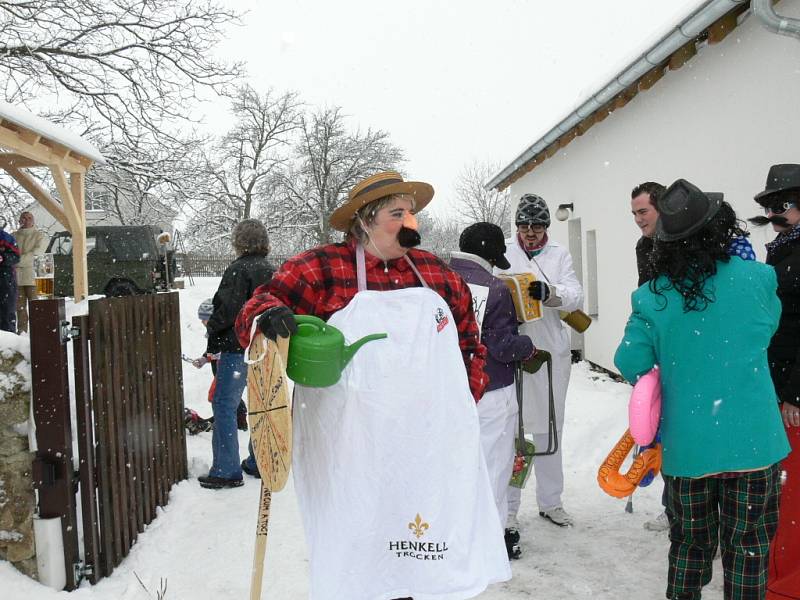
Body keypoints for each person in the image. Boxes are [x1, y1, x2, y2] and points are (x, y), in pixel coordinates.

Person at [235, 171, 510, 600]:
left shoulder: (435, 273)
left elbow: (468, 339)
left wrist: (461, 399)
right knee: (361, 549)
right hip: (351, 442)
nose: (410, 223)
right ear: (364, 221)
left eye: (412, 214)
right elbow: (255, 309)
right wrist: (268, 317)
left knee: (425, 549)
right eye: (396, 213)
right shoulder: (322, 267)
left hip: (423, 442)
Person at [615, 178, 789, 600]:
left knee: (690, 549)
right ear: (720, 228)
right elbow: (768, 329)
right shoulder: (759, 278)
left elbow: (630, 362)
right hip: (754, 443)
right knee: (748, 550)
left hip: (689, 448)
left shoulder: (651, 296)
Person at [450, 222, 548, 560]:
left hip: (451, 390)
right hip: (491, 389)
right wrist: (526, 345)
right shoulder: (495, 288)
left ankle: (455, 532)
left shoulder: (438, 281)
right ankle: (487, 540)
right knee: (493, 466)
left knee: (459, 464)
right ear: (490, 255)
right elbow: (501, 345)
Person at [496, 194, 584, 530]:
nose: (530, 232)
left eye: (537, 225)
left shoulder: (559, 253)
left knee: (549, 427)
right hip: (513, 349)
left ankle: (551, 501)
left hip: (548, 350)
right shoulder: (504, 251)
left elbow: (575, 293)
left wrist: (550, 293)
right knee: (514, 430)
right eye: (524, 225)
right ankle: (510, 509)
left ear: (546, 226)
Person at [750, 163, 800, 600]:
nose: (774, 214)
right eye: (770, 205)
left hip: (793, 391)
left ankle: (786, 586)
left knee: (792, 494)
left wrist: (794, 391)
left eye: (781, 204)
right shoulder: (783, 249)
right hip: (778, 382)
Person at [198, 219, 273, 490]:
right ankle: (259, 461)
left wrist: (213, 333)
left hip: (237, 347)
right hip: (264, 348)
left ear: (239, 241)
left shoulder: (238, 270)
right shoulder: (270, 270)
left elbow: (228, 310)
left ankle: (226, 470)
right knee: (260, 404)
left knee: (224, 405)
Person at [13, 211, 48, 333]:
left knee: (36, 306)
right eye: (23, 217)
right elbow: (9, 254)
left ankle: (39, 332)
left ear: (33, 220)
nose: (26, 220)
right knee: (19, 308)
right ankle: (22, 333)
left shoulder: (40, 236)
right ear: (19, 220)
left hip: (33, 277)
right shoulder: (13, 236)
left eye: (29, 218)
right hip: (16, 278)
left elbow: (36, 255)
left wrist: (17, 261)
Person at [0, 227, 20, 333]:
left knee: (7, 314)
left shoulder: (5, 238)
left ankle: (9, 345)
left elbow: (16, 256)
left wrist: (3, 257)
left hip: (5, 281)